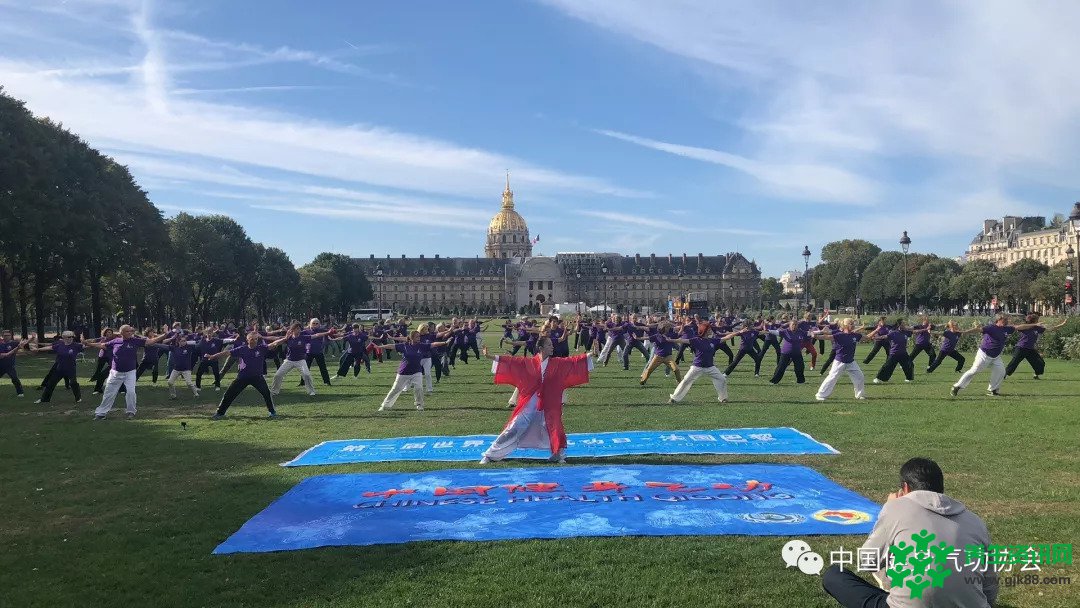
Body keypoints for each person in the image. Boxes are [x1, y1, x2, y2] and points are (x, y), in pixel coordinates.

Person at [821, 457, 998, 608]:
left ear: (905, 488)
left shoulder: (896, 507)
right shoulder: (975, 521)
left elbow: (867, 560)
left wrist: (888, 508)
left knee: (834, 576)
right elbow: (990, 585)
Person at [477, 338, 592, 464]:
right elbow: (511, 361)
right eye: (549, 345)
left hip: (550, 402)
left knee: (554, 427)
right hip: (530, 402)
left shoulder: (557, 363)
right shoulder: (529, 363)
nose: (552, 347)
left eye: (552, 345)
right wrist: (490, 356)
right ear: (541, 348)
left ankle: (558, 454)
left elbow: (572, 361)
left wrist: (589, 355)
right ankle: (491, 454)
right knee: (515, 426)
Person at [86, 325, 168, 420]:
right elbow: (102, 345)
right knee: (109, 393)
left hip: (130, 372)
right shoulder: (116, 341)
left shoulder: (135, 340)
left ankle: (131, 412)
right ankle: (101, 413)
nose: (130, 333)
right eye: (127, 331)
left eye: (131, 331)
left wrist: (165, 335)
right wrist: (88, 344)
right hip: (115, 373)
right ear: (121, 333)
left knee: (131, 393)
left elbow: (151, 341)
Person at [951, 314, 1042, 397]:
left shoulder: (1007, 329)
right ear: (998, 320)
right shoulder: (991, 328)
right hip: (984, 354)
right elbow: (978, 329)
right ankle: (957, 386)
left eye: (1007, 320)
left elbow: (1019, 327)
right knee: (974, 371)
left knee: (1001, 372)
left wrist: (1034, 325)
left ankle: (993, 390)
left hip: (996, 357)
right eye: (1004, 320)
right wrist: (963, 332)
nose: (1006, 321)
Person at [206, 331, 288, 419]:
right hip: (242, 377)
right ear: (247, 340)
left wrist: (285, 338)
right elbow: (227, 353)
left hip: (257, 378)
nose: (255, 341)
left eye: (256, 339)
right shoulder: (242, 349)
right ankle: (220, 413)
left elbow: (274, 343)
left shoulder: (261, 348)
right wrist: (213, 356)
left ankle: (272, 413)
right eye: (252, 339)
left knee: (267, 394)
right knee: (229, 394)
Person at [373, 331, 448, 412]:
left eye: (419, 336)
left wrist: (444, 342)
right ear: (411, 338)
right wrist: (380, 347)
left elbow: (433, 344)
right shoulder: (404, 346)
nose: (419, 338)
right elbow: (391, 346)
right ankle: (384, 405)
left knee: (419, 388)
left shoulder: (422, 346)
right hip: (403, 372)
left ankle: (419, 405)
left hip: (416, 372)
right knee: (395, 389)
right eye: (417, 337)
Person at [667, 324, 738, 404]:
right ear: (704, 331)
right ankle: (673, 398)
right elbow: (682, 340)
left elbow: (726, 338)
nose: (710, 331)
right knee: (685, 381)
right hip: (697, 367)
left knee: (722, 379)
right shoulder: (696, 340)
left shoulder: (713, 340)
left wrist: (740, 332)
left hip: (710, 367)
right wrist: (670, 340)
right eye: (709, 330)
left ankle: (723, 398)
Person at [812, 318, 868, 401]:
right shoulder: (839, 335)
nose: (853, 325)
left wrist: (877, 331)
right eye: (850, 323)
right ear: (845, 325)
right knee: (832, 378)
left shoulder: (855, 335)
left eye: (853, 323)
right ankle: (820, 395)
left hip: (851, 362)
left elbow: (866, 338)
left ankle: (859, 395)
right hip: (839, 361)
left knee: (860, 377)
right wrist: (816, 336)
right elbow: (826, 336)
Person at [271, 323, 334, 397]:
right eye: (296, 328)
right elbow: (276, 343)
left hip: (301, 361)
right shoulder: (289, 338)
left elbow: (316, 335)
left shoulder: (303, 337)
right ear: (292, 330)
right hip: (289, 360)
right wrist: (285, 338)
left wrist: (328, 332)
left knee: (306, 375)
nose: (299, 330)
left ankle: (311, 392)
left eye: (299, 328)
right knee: (278, 375)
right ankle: (274, 391)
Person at [1005, 313, 1066, 379]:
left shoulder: (1038, 328)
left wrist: (1062, 324)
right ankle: (1004, 374)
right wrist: (1035, 324)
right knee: (1014, 363)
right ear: (1034, 320)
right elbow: (1017, 327)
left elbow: (1051, 329)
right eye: (1037, 319)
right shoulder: (1026, 326)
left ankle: (1036, 375)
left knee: (1040, 363)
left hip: (1030, 349)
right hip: (1021, 348)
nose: (1038, 321)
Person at [31, 331, 83, 404]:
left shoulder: (76, 345)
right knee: (51, 383)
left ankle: (78, 398)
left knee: (73, 383)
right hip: (60, 368)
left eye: (72, 337)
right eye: (69, 337)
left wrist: (87, 341)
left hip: (71, 368)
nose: (71, 338)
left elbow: (85, 345)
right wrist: (38, 349)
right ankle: (44, 399)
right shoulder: (60, 345)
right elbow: (50, 347)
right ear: (64, 338)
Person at [871, 319, 927, 384]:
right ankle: (877, 378)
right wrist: (876, 338)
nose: (905, 325)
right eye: (903, 324)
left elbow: (915, 331)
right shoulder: (894, 333)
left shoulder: (906, 332)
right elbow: (885, 336)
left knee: (909, 364)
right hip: (894, 353)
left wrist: (925, 329)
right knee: (887, 366)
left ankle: (909, 379)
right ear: (899, 325)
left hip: (903, 353)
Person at [766, 320, 809, 385]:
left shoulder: (800, 332)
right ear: (789, 325)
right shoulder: (785, 331)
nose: (794, 326)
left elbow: (808, 333)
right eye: (793, 325)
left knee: (800, 367)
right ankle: (774, 381)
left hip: (797, 353)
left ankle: (800, 381)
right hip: (786, 353)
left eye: (795, 325)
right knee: (781, 367)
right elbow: (776, 332)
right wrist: (768, 331)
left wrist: (814, 333)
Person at [0, 330, 32, 397]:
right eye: (5, 335)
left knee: (14, 378)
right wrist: (17, 348)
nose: (7, 337)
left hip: (10, 366)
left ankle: (20, 392)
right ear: (2, 336)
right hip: (1, 366)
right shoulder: (1, 344)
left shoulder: (14, 343)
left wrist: (32, 338)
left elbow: (23, 343)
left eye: (8, 335)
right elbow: (5, 355)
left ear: (11, 336)